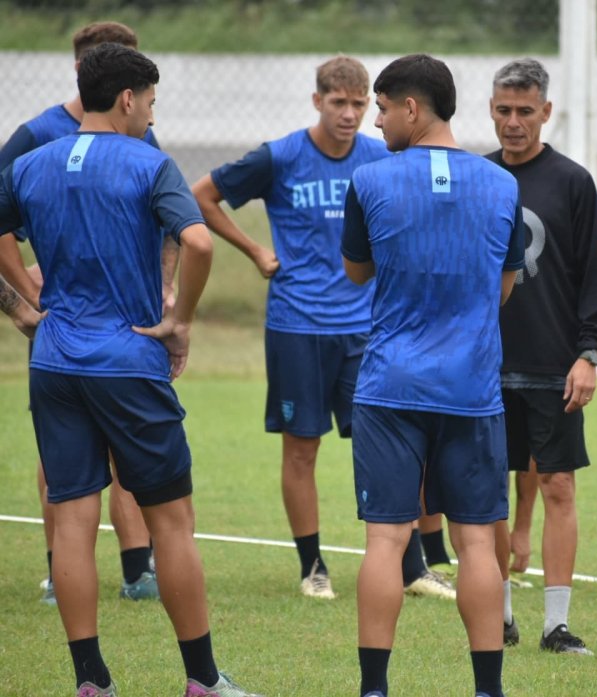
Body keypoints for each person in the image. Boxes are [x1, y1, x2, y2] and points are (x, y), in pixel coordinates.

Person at [0, 43, 262, 697]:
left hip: (55, 358)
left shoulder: (29, 163)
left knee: (71, 517)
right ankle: (203, 680)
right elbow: (198, 238)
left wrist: (30, 302)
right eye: (149, 102)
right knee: (170, 517)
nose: (150, 114)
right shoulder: (149, 163)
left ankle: (92, 681)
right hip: (128, 359)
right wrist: (182, 319)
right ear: (126, 99)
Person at [192, 55, 458, 601]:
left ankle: (412, 566)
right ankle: (313, 565)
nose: (350, 113)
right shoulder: (282, 155)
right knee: (302, 449)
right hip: (298, 326)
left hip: (369, 328)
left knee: (397, 446)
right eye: (339, 102)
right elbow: (203, 196)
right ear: (317, 101)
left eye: (361, 104)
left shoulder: (381, 155)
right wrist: (255, 250)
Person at [341, 53, 524, 697]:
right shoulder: (503, 184)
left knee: (385, 540)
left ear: (412, 109)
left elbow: (357, 273)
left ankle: (374, 689)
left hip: (390, 385)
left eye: (383, 109)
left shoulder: (369, 181)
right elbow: (503, 287)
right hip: (471, 388)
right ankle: (487, 689)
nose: (378, 123)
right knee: (478, 542)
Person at [0, 20, 167, 605]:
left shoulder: (142, 138)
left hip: (129, 327)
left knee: (129, 451)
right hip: (61, 324)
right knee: (64, 454)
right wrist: (23, 298)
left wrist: (165, 292)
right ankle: (57, 571)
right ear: (85, 70)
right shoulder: (37, 135)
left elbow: (171, 224)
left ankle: (136, 567)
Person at [486, 58, 597, 654]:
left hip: (553, 365)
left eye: (525, 111)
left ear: (546, 112)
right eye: (504, 110)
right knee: (485, 491)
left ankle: (555, 625)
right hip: (482, 365)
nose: (514, 123)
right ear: (491, 109)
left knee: (558, 485)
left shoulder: (572, 181)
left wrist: (589, 353)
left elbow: (593, 276)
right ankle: (500, 616)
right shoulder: (476, 178)